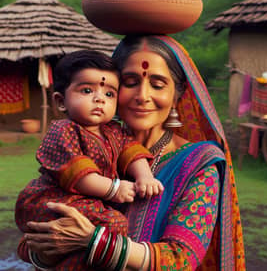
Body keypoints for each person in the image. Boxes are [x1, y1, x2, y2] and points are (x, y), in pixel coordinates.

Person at [17, 35, 246, 270]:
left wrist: (93, 241)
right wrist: (48, 251)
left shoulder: (199, 162)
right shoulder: (86, 145)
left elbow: (180, 259)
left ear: (177, 96)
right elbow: (32, 243)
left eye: (157, 85)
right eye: (130, 82)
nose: (142, 96)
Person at [15, 49, 164, 235]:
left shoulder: (114, 130)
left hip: (90, 202)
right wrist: (114, 189)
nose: (99, 99)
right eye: (87, 91)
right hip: (58, 200)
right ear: (61, 101)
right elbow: (76, 174)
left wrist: (145, 177)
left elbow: (132, 152)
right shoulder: (63, 130)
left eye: (109, 94)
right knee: (114, 223)